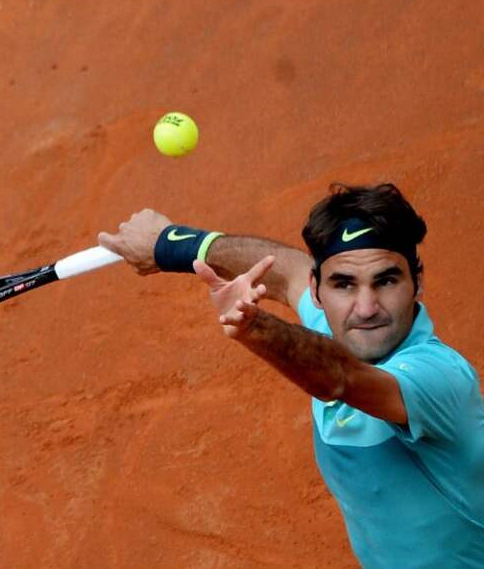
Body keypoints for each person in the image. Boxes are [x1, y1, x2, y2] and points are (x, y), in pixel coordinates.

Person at [98, 183, 484, 568]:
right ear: (318, 291)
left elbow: (340, 378)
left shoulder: (439, 378)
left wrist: (254, 326)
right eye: (344, 283)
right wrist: (174, 243)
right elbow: (289, 268)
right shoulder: (344, 326)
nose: (366, 308)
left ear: (417, 283)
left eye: (386, 281)